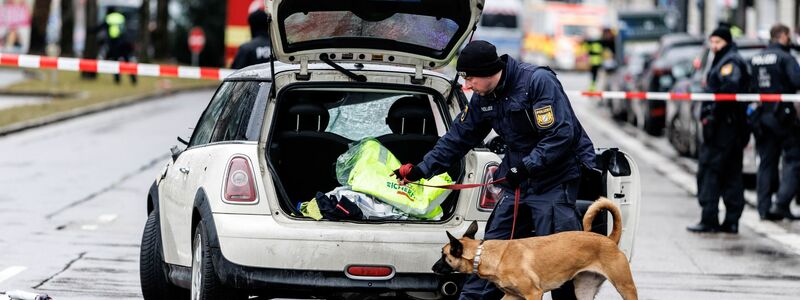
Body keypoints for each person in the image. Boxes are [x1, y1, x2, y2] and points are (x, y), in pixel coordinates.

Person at [392, 40, 596, 300]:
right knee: (487, 256)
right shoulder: (483, 97)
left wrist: (526, 166)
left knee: (560, 262)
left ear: (489, 71)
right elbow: (458, 137)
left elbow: (561, 135)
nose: (467, 85)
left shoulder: (537, 82)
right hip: (518, 183)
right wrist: (421, 169)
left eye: (470, 78)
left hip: (554, 181)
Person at [687, 28, 750, 234]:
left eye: (718, 42)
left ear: (727, 42)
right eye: (712, 41)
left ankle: (710, 219)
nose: (714, 46)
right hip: (728, 129)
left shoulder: (729, 62)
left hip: (724, 129)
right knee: (730, 174)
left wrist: (711, 116)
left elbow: (729, 89)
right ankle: (730, 221)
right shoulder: (724, 59)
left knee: (711, 172)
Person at [750, 24, 800, 221]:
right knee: (794, 159)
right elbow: (797, 81)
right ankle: (781, 203)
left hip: (762, 116)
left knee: (766, 163)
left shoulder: (756, 58)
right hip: (783, 117)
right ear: (783, 36)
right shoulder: (785, 58)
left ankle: (763, 207)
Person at [100, 7, 136, 85]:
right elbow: (126, 28)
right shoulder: (121, 17)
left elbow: (101, 27)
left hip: (115, 44)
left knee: (115, 62)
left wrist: (90, 31)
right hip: (124, 43)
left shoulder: (109, 18)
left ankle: (117, 80)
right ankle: (133, 79)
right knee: (127, 62)